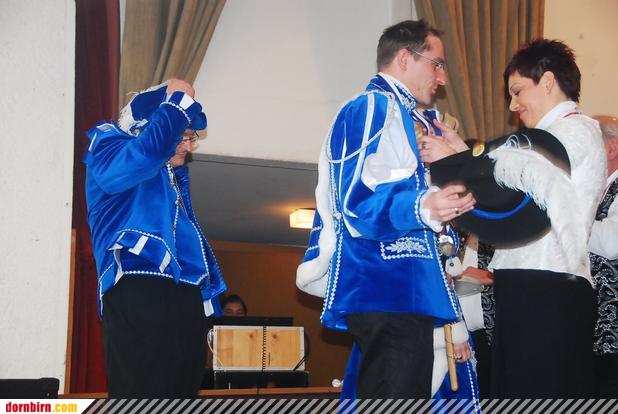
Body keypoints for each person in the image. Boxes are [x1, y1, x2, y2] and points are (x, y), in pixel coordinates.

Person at [296, 20, 479, 402]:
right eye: (437, 64)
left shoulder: (410, 118)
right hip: (386, 285)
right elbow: (355, 201)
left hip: (406, 289)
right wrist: (423, 204)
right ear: (405, 58)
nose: (442, 78)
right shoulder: (370, 107)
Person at [422, 39, 606, 397]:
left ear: (548, 81)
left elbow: (517, 187)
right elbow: (509, 176)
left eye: (518, 91)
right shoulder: (554, 137)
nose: (513, 105)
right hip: (533, 285)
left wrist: (454, 160)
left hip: (548, 286)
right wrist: (460, 153)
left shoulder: (576, 132)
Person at [85, 79, 227, 398]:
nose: (188, 147)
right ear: (151, 125)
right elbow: (142, 155)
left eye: (191, 138)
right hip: (138, 285)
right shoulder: (109, 145)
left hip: (185, 294)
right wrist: (177, 98)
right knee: (140, 395)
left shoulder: (168, 179)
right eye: (183, 137)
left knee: (182, 393)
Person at [589, 115, 618, 396]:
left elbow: (611, 243)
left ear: (611, 148)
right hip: (594, 323)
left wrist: (568, 217)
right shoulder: (597, 189)